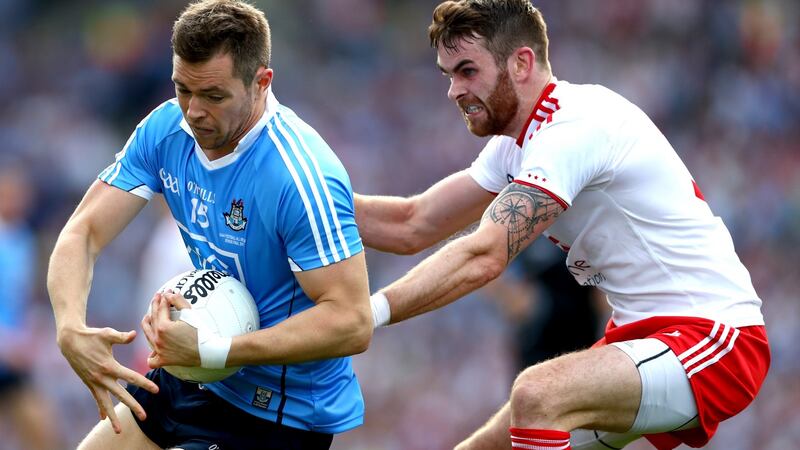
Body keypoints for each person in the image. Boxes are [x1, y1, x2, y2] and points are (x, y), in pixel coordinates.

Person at [356, 1, 770, 449]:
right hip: (640, 338)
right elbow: (410, 223)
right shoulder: (516, 145)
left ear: (521, 63)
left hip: (715, 336)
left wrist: (371, 313)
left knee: (537, 394)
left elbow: (485, 253)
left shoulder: (574, 126)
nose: (454, 90)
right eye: (449, 74)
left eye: (467, 71)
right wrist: (298, 191)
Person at [47, 1, 372, 449]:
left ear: (262, 82)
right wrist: (69, 328)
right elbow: (82, 233)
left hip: (280, 413)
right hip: (192, 377)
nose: (194, 111)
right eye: (183, 89)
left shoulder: (299, 175)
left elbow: (353, 322)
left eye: (214, 96)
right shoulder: (166, 130)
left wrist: (213, 351)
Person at [0, 165, 60, 450]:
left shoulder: (23, 238)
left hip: (14, 353)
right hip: (6, 348)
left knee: (39, 430)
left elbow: (22, 296)